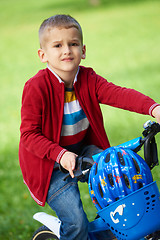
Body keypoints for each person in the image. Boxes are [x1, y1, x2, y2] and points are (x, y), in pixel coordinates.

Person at [19, 14, 160, 240]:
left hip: (82, 151)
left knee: (121, 175)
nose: (67, 50)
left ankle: (119, 230)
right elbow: (29, 134)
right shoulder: (36, 87)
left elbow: (118, 94)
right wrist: (60, 154)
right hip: (49, 165)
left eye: (73, 44)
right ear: (42, 55)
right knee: (75, 221)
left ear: (83, 50)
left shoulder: (88, 79)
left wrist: (153, 109)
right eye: (58, 45)